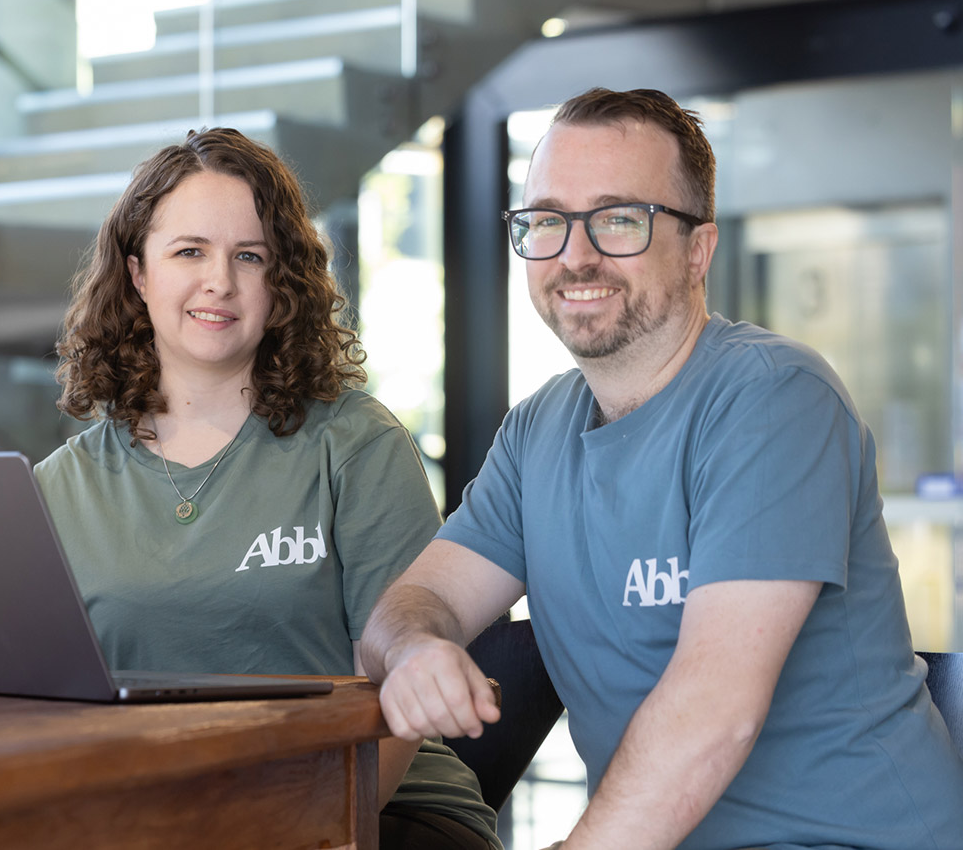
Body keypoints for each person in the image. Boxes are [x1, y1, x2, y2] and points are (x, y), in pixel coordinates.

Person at [361, 87, 963, 849]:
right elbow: (414, 600)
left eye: (618, 219)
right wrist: (415, 646)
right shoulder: (537, 432)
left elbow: (713, 712)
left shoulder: (774, 398)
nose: (575, 255)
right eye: (547, 220)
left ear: (698, 249)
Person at [34, 127, 499, 849]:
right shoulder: (61, 487)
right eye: (190, 251)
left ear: (281, 283)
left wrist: (312, 830)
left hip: (366, 807)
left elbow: (396, 692)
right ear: (137, 273)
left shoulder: (357, 445)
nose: (219, 281)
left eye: (249, 257)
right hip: (153, 818)